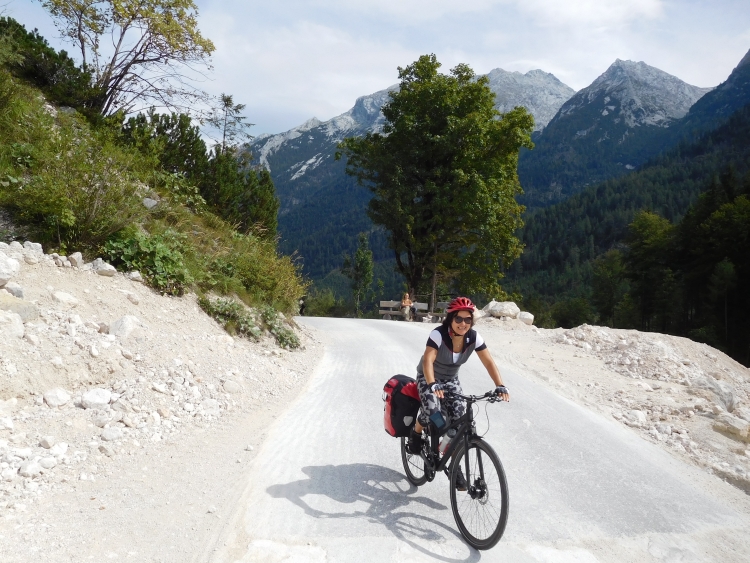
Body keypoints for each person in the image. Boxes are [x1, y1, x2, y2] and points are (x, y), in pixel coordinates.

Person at [408, 296, 510, 490]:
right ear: (451, 319)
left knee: (457, 422)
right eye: (458, 319)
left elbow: (488, 362)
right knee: (434, 415)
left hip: (451, 380)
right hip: (428, 378)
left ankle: (455, 468)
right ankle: (416, 432)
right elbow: (428, 361)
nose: (463, 324)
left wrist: (500, 385)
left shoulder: (474, 338)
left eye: (467, 319)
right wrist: (431, 384)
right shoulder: (438, 335)